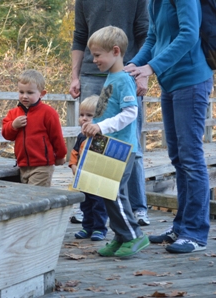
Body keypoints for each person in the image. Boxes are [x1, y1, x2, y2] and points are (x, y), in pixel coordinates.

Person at [125, 0, 213, 254]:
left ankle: (195, 233)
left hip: (192, 79)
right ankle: (181, 227)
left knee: (191, 156)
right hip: (170, 82)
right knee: (177, 157)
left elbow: (188, 35)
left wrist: (150, 68)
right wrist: (135, 64)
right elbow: (153, 39)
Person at [69, 0, 151, 226]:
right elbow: (79, 36)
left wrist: (142, 72)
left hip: (127, 70)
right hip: (90, 73)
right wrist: (75, 76)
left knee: (129, 141)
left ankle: (137, 208)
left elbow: (145, 33)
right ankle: (93, 210)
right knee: (93, 142)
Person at [82, 26, 149, 257]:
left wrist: (101, 126)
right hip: (106, 144)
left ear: (116, 51)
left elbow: (130, 113)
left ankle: (133, 235)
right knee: (102, 190)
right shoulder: (111, 76)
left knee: (115, 192)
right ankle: (120, 236)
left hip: (121, 146)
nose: (94, 59)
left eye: (98, 55)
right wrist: (93, 125)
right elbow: (106, 109)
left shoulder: (123, 79)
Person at [2, 69, 67, 187]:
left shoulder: (48, 113)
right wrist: (13, 126)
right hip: (23, 165)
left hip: (42, 165)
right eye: (21, 92)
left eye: (30, 93)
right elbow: (6, 135)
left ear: (42, 94)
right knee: (28, 198)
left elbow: (57, 137)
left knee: (35, 196)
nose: (24, 96)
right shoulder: (14, 113)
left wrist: (60, 155)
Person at [69, 95, 108, 241]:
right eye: (82, 115)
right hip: (83, 178)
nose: (84, 118)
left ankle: (99, 229)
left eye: (89, 116)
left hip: (97, 179)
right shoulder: (81, 136)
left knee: (99, 204)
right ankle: (87, 227)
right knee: (85, 204)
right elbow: (75, 152)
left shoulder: (101, 137)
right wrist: (73, 165)